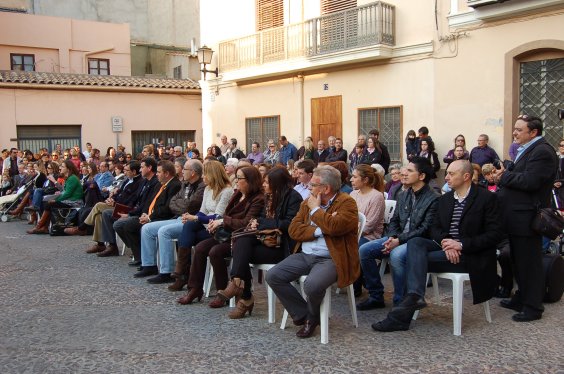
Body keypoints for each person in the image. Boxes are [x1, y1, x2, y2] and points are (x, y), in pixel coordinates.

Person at [372, 160, 502, 332]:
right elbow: (435, 229)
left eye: (451, 174)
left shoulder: (487, 198)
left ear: (466, 176)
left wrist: (460, 245)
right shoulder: (446, 199)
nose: (446, 177)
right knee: (415, 243)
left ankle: (403, 312)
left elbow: (494, 235)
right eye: (446, 173)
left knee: (411, 258)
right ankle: (415, 297)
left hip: (471, 254)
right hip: (446, 251)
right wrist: (447, 242)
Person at [266, 165, 359, 339]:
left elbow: (336, 227)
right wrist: (318, 230)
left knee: (312, 285)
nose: (309, 188)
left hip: (332, 257)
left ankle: (311, 318)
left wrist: (316, 211)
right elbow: (294, 230)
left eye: (313, 185)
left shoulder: (347, 203)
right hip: (305, 255)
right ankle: (306, 315)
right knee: (273, 276)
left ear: (326, 189)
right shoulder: (306, 202)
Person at [493, 114, 558, 322]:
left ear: (533, 132)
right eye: (515, 128)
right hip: (515, 216)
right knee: (517, 260)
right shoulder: (528, 149)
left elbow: (531, 181)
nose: (515, 132)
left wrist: (504, 177)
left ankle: (533, 306)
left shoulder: (543, 151)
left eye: (519, 130)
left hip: (527, 217)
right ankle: (521, 297)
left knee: (529, 263)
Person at [218, 166, 302, 318]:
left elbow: (290, 225)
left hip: (282, 247)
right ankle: (240, 289)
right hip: (265, 242)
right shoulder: (268, 197)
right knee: (242, 242)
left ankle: (244, 295)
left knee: (241, 251)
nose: (263, 185)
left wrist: (261, 223)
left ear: (277, 183)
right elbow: (261, 217)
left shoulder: (293, 197)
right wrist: (256, 222)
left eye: (267, 182)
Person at [356, 157, 439, 309]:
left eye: (409, 171)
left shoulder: (433, 198)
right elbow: (394, 220)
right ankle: (376, 295)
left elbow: (425, 229)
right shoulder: (404, 194)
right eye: (404, 170)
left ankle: (400, 302)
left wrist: (398, 241)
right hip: (397, 238)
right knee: (365, 250)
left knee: (397, 255)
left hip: (417, 242)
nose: (404, 173)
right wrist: (393, 237)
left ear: (421, 176)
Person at [178, 166, 264, 307]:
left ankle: (222, 291)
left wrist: (222, 221)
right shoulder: (237, 194)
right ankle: (194, 288)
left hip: (240, 237)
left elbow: (245, 222)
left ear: (250, 181)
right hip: (226, 233)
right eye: (236, 177)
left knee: (215, 252)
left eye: (240, 178)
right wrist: (216, 223)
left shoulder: (257, 199)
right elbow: (225, 214)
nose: (236, 180)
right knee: (200, 248)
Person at [137, 159, 206, 286]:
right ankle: (149, 265)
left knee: (164, 231)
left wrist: (180, 206)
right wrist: (181, 206)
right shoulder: (185, 184)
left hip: (191, 221)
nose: (181, 171)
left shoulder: (202, 187)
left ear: (193, 172)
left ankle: (166, 272)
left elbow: (190, 206)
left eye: (184, 169)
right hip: (178, 217)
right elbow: (172, 203)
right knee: (147, 229)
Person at [172, 161, 234, 292]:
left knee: (188, 232)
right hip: (204, 226)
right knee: (188, 226)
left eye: (205, 174)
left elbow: (217, 216)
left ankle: (182, 274)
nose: (203, 177)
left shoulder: (227, 191)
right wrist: (191, 216)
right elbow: (203, 211)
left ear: (213, 175)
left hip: (216, 229)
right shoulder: (208, 189)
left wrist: (195, 217)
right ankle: (183, 274)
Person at [118, 160, 182, 276]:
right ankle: (147, 263)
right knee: (128, 225)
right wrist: (146, 214)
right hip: (152, 215)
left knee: (140, 227)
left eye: (158, 172)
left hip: (166, 218)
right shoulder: (162, 184)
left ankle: (151, 265)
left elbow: (167, 209)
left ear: (166, 173)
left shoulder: (175, 185)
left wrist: (150, 217)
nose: (156, 174)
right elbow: (151, 203)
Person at [82, 161, 144, 256]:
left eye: (127, 170)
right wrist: (111, 199)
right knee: (99, 216)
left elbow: (132, 200)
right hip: (117, 204)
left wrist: (115, 203)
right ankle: (102, 244)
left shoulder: (139, 182)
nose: (125, 172)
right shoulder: (127, 180)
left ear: (134, 172)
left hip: (125, 208)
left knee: (99, 206)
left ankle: (82, 227)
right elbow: (119, 193)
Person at [27, 160, 84, 234]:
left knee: (50, 204)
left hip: (74, 202)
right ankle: (43, 227)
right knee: (47, 203)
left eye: (63, 167)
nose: (61, 168)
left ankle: (39, 227)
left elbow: (68, 194)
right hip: (69, 200)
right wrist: (59, 193)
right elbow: (65, 191)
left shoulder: (72, 178)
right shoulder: (68, 178)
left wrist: (56, 199)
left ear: (68, 169)